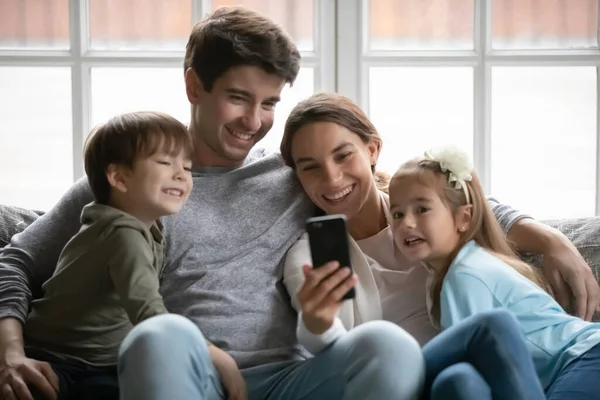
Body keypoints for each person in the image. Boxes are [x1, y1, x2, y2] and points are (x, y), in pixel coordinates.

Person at [0, 6, 596, 400]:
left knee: (386, 344)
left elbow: (423, 192)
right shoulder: (130, 184)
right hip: (196, 373)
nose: (254, 122)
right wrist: (11, 353)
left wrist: (543, 236)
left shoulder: (295, 174)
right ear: (193, 85)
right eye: (239, 98)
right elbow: (15, 262)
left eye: (269, 104)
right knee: (157, 336)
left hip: (296, 377)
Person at [279, 92, 549, 399]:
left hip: (460, 375)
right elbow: (335, 348)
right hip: (397, 384)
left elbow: (475, 209)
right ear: (297, 176)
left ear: (372, 149)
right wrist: (316, 323)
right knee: (491, 329)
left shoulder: (422, 209)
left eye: (343, 156)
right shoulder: (307, 256)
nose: (332, 178)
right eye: (310, 167)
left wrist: (551, 242)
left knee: (462, 383)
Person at [389, 146, 600, 399]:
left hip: (583, 357)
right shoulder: (456, 271)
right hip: (572, 365)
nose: (406, 223)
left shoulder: (466, 274)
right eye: (397, 214)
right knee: (458, 380)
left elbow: (477, 356)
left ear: (463, 218)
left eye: (422, 209)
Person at [22, 111, 195, 400]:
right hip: (54, 359)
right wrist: (209, 354)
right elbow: (149, 313)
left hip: (104, 364)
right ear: (119, 178)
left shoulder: (148, 227)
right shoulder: (121, 233)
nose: (181, 174)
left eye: (188, 167)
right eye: (165, 162)